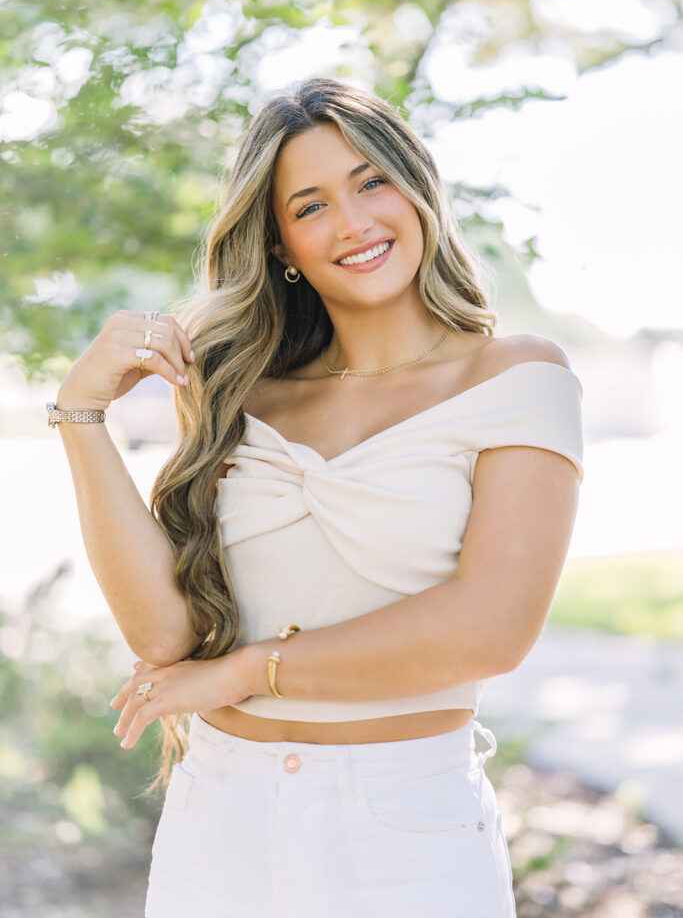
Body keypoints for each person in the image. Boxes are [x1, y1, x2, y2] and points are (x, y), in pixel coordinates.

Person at [49, 77, 584, 917]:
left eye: (371, 181)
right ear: (278, 245)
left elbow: (492, 627)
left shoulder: (515, 377)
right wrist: (79, 416)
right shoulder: (237, 392)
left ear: (417, 190)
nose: (353, 223)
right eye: (310, 206)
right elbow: (164, 635)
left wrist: (241, 672)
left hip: (403, 832)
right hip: (217, 816)